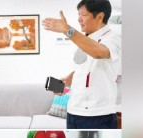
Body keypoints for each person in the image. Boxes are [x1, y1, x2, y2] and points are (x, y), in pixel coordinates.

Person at [43, 0, 121, 129]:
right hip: (73, 112)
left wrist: (67, 30)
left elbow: (98, 52)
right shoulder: (84, 39)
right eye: (78, 14)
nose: (79, 19)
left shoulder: (113, 38)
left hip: (98, 115)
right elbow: (84, 68)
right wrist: (68, 80)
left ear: (100, 16)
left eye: (83, 15)